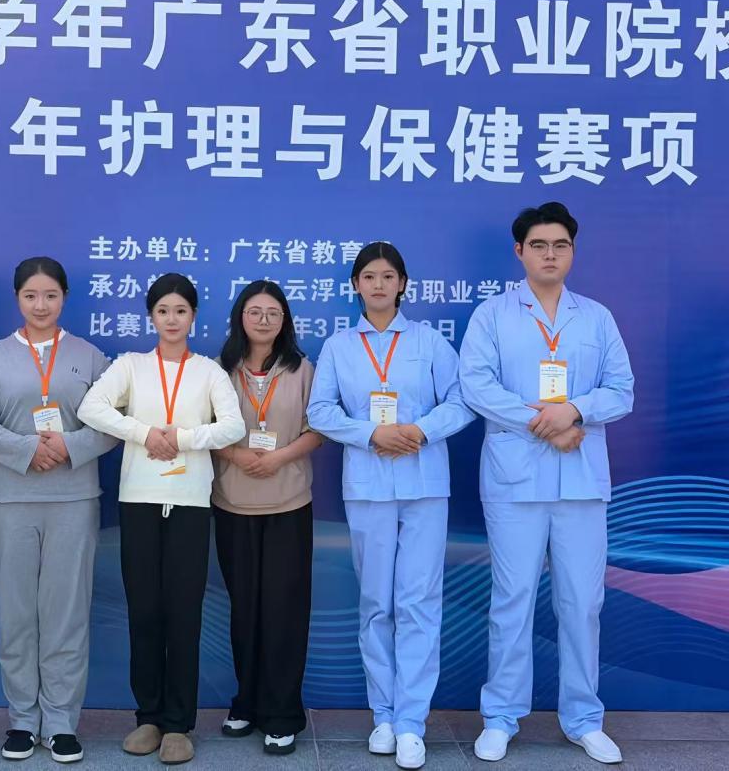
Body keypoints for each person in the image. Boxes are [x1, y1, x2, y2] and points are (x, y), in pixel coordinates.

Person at [459, 202, 634, 765]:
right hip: (516, 480)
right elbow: (476, 385)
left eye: (560, 245)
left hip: (580, 482)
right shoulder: (492, 314)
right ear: (520, 252)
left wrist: (575, 411)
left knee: (582, 602)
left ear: (572, 252)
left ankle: (583, 718)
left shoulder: (597, 318)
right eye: (539, 245)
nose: (550, 254)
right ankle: (501, 717)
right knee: (511, 600)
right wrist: (546, 423)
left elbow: (622, 390)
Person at [306, 242, 474, 771]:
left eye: (387, 276)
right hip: (369, 485)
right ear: (355, 285)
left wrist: (419, 431)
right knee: (377, 601)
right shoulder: (339, 346)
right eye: (368, 277)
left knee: (419, 602)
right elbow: (320, 411)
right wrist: (370, 433)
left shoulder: (428, 341)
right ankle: (383, 714)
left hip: (424, 483)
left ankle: (411, 722)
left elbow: (462, 400)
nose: (378, 285)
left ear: (403, 284)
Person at [77, 273, 245, 766]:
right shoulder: (130, 365)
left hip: (190, 503)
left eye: (181, 311)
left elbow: (233, 426)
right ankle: (148, 717)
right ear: (151, 316)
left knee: (184, 614)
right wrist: (145, 433)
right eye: (163, 310)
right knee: (145, 612)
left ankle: (178, 725)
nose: (172, 319)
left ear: (194, 317)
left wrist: (184, 439)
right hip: (139, 501)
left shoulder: (210, 372)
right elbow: (91, 407)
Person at [0, 257, 117, 765]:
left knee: (66, 614)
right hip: (12, 500)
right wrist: (27, 450)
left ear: (64, 297)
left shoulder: (89, 356)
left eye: (50, 295)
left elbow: (116, 421)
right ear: (18, 299)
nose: (41, 305)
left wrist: (70, 446)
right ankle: (23, 721)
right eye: (31, 296)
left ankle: (62, 722)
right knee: (17, 613)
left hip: (74, 500)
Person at [212, 280, 324, 755]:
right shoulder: (219, 370)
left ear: (285, 321)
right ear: (240, 317)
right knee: (245, 609)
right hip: (232, 503)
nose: (263, 320)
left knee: (284, 611)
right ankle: (247, 703)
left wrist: (278, 458)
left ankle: (282, 713)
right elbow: (204, 428)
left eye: (273, 313)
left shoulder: (302, 369)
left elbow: (318, 428)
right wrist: (237, 455)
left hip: (288, 503)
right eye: (254, 311)